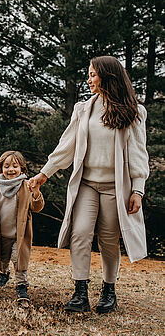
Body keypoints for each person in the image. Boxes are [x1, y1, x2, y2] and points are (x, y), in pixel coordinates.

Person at [29, 56, 149, 314]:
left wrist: (137, 189)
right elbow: (67, 146)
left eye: (93, 74)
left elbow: (139, 154)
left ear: (107, 77)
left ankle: (108, 291)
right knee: (80, 233)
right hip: (87, 185)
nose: (89, 79)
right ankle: (80, 292)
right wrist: (44, 174)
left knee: (108, 240)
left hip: (115, 188)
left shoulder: (134, 112)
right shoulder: (84, 109)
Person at [0, 150, 44, 306]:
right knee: (2, 257)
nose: (11, 169)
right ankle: (3, 273)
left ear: (22, 169)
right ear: (1, 169)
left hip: (19, 234)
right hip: (0, 232)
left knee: (18, 259)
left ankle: (21, 286)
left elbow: (37, 207)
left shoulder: (25, 186)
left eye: (15, 166)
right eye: (6, 166)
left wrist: (36, 193)